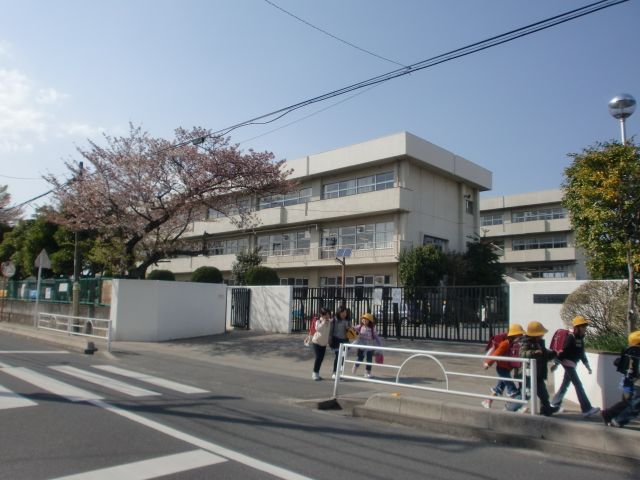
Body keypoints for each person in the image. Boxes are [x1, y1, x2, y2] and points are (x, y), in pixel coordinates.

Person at [549, 316, 600, 417]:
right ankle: (586, 409)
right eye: (583, 326)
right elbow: (564, 351)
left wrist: (587, 366)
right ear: (577, 327)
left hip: (572, 364)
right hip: (568, 364)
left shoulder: (580, 339)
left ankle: (553, 404)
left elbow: (581, 354)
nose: (585, 328)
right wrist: (556, 364)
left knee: (565, 385)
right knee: (578, 385)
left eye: (585, 326)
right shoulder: (570, 337)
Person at [601, 330, 640, 427]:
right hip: (633, 383)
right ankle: (615, 419)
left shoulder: (628, 351)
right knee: (631, 404)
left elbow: (617, 363)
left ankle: (609, 415)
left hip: (627, 382)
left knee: (627, 403)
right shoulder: (636, 352)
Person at [481, 323, 525, 408]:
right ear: (514, 335)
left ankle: (488, 401)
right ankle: (517, 406)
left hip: (507, 368)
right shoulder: (506, 343)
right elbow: (496, 353)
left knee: (499, 387)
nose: (521, 336)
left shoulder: (514, 343)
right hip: (502, 368)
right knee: (511, 388)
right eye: (520, 334)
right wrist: (488, 363)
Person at [519, 320, 557, 416]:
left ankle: (546, 410)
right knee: (527, 395)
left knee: (543, 394)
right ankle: (510, 408)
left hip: (538, 373)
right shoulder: (526, 343)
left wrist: (554, 353)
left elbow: (545, 354)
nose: (542, 335)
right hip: (530, 373)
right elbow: (522, 354)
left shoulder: (540, 343)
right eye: (540, 333)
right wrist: (533, 353)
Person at [352, 312, 380, 378]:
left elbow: (376, 337)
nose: (364, 320)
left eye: (366, 319)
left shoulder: (372, 328)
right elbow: (353, 329)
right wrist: (353, 329)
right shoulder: (360, 326)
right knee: (360, 358)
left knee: (369, 360)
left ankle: (367, 372)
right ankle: (355, 366)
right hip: (362, 346)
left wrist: (378, 345)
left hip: (370, 346)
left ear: (369, 321)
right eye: (363, 319)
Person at [330, 306, 352, 379]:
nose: (344, 314)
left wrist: (349, 328)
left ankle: (339, 372)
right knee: (337, 356)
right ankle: (334, 372)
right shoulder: (335, 320)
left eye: (345, 312)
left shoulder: (347, 320)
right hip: (336, 340)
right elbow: (331, 330)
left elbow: (350, 330)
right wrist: (329, 339)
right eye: (342, 312)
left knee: (342, 357)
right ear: (339, 312)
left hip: (345, 340)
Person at [311, 308, 332, 381]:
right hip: (316, 342)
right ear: (321, 315)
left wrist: (329, 341)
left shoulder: (329, 322)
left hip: (324, 343)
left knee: (321, 359)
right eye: (325, 314)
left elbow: (328, 333)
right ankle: (314, 374)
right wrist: (323, 322)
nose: (327, 316)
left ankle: (317, 373)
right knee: (318, 357)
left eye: (328, 314)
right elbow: (318, 329)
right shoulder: (318, 321)